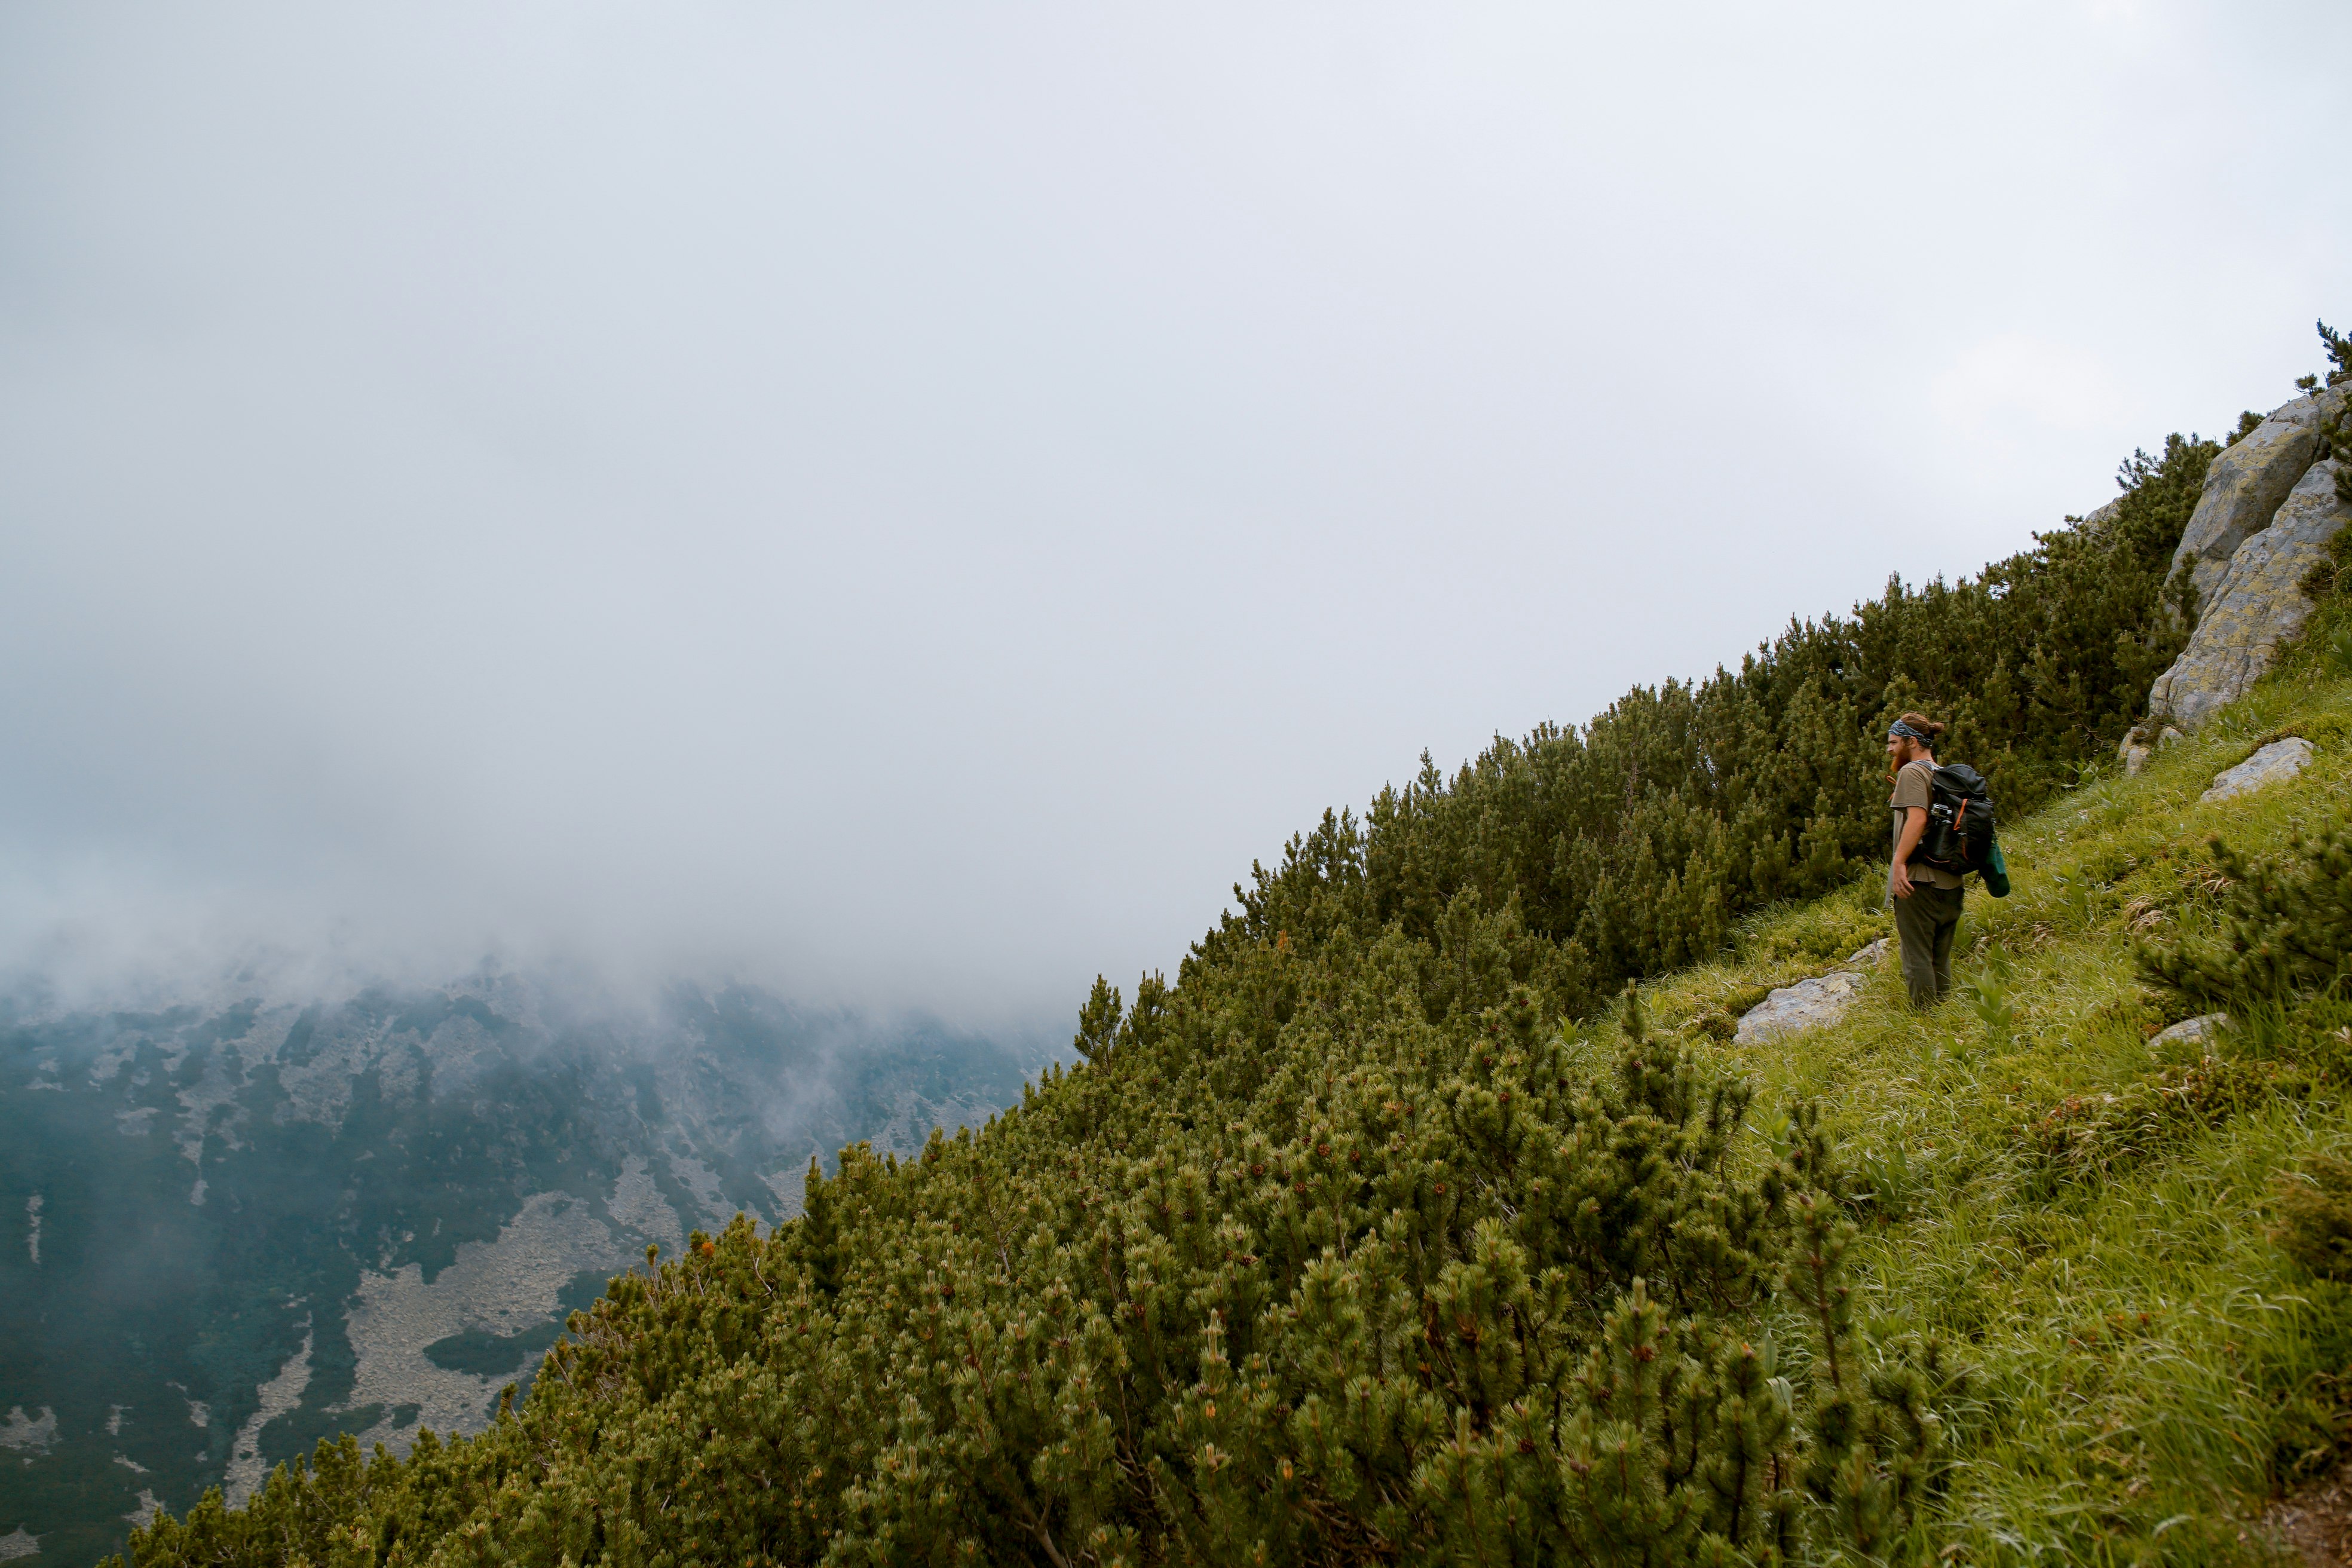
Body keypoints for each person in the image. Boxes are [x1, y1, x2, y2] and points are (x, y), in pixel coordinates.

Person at [1886, 712, 1963, 1006]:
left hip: (1919, 882)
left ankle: (1926, 1023)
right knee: (1939, 959)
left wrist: (1898, 863)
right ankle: (1944, 1018)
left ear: (1913, 742)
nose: (1890, 749)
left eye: (1894, 742)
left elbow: (1917, 820)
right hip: (1951, 881)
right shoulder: (1945, 774)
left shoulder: (1912, 772)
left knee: (1917, 957)